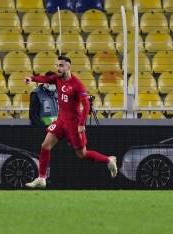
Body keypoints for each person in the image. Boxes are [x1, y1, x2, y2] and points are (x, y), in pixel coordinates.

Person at [23, 55, 117, 188]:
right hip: (61, 121)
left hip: (74, 124)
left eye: (61, 65)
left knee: (82, 154)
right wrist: (31, 78)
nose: (58, 68)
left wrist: (81, 124)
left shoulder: (77, 84)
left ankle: (108, 160)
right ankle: (41, 178)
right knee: (45, 145)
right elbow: (47, 78)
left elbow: (87, 106)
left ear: (68, 67)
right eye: (57, 65)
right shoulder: (57, 79)